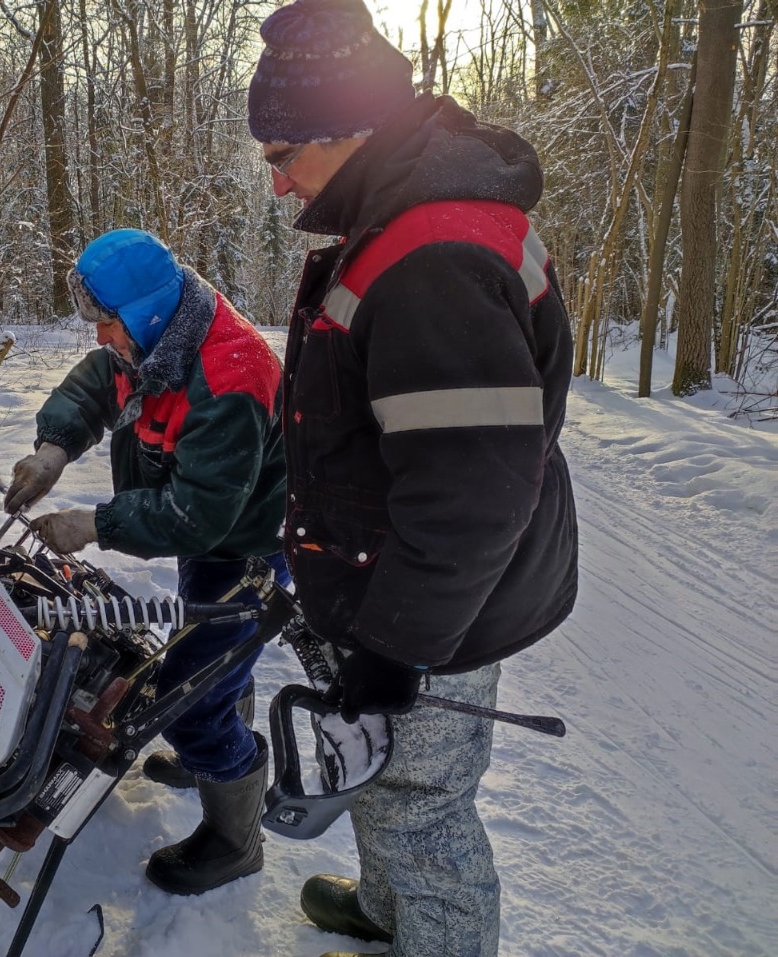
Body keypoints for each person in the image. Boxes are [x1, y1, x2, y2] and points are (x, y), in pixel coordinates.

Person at [245, 1, 579, 955]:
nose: (278, 184)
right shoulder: (406, 210)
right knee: (387, 780)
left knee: (423, 805)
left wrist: (396, 643)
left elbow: (470, 491)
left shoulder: (432, 253)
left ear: (348, 129)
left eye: (284, 153)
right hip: (397, 577)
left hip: (439, 603)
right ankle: (388, 912)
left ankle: (434, 927)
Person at [3, 227, 288, 895]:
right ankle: (212, 743)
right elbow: (98, 381)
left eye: (109, 322)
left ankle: (235, 836)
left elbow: (199, 513)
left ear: (147, 311)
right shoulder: (160, 336)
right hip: (210, 543)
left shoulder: (230, 375)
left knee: (190, 700)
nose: (102, 337)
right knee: (211, 661)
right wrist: (53, 448)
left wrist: (94, 524)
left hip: (247, 545)